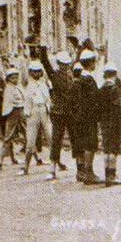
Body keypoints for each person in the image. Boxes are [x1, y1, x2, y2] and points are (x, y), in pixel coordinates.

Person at [39, 47, 73, 179]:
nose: (65, 67)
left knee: (74, 138)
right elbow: (45, 63)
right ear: (59, 64)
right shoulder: (54, 75)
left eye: (67, 64)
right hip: (59, 111)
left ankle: (80, 168)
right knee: (56, 139)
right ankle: (52, 169)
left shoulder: (71, 76)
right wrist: (42, 49)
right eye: (63, 64)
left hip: (69, 111)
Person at [75, 50, 102, 184]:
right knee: (90, 145)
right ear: (91, 63)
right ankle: (88, 172)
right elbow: (93, 100)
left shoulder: (80, 78)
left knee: (82, 144)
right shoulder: (89, 80)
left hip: (80, 117)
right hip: (89, 117)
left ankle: (81, 172)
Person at [20, 61, 51, 176]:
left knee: (49, 136)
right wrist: (27, 113)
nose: (36, 74)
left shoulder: (43, 84)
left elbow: (47, 99)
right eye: (34, 72)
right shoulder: (29, 86)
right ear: (30, 73)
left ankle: (55, 164)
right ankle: (26, 167)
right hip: (33, 112)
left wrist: (48, 110)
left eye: (38, 71)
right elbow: (27, 101)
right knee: (30, 140)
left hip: (43, 110)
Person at [99, 64, 121, 187]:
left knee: (106, 148)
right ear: (114, 74)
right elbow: (118, 108)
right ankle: (112, 174)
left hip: (104, 123)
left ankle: (106, 174)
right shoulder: (115, 90)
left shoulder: (101, 89)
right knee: (114, 149)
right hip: (114, 123)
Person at [0, 68, 23, 171]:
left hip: (20, 112)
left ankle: (37, 158)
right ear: (9, 79)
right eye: (13, 78)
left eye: (16, 77)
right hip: (13, 113)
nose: (15, 79)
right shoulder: (9, 89)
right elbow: (9, 103)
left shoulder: (17, 87)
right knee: (8, 137)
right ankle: (0, 161)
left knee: (27, 134)